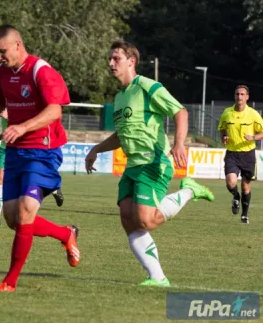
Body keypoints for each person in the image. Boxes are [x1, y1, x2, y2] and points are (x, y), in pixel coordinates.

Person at [0, 24, 80, 292]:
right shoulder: (2, 72)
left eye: (2, 51)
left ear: (18, 45)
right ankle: (66, 234)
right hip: (15, 153)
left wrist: (22, 127)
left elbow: (55, 111)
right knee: (13, 219)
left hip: (43, 151)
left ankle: (10, 281)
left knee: (25, 211)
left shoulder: (40, 71)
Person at [85, 40, 215, 287]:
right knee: (127, 219)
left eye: (116, 59)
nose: (111, 63)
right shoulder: (120, 96)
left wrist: (178, 144)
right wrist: (96, 149)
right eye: (110, 59)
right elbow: (121, 135)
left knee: (145, 220)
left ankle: (189, 190)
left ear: (131, 61)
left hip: (153, 162)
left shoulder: (147, 86)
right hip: (133, 166)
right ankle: (157, 278)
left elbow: (180, 112)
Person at [0, 110, 64, 226]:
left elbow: (28, 126)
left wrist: (10, 116)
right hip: (5, 149)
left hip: (22, 150)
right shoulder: (5, 101)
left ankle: (52, 188)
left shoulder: (23, 104)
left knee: (26, 186)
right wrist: (0, 136)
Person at [218, 85, 263, 224]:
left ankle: (244, 215)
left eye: (242, 94)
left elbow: (262, 132)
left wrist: (253, 137)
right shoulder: (227, 113)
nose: (239, 97)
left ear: (247, 97)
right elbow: (222, 129)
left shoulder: (253, 114)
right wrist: (224, 137)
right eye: (237, 94)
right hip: (232, 153)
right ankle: (235, 196)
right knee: (231, 182)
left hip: (248, 154)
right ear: (234, 96)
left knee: (245, 185)